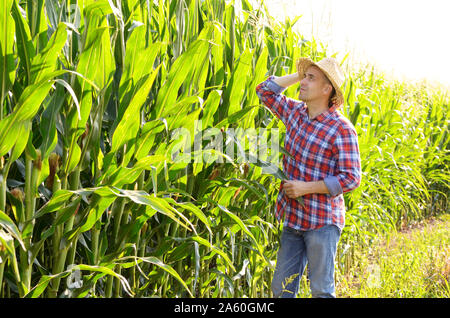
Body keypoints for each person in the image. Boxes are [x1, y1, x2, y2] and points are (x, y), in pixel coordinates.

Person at [256, 57, 362, 298]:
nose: (303, 82)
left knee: (321, 291)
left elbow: (351, 178)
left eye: (311, 79)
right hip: (293, 219)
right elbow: (264, 91)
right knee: (281, 290)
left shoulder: (341, 128)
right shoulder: (294, 112)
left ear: (327, 90)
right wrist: (299, 74)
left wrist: (306, 188)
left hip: (322, 222)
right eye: (305, 77)